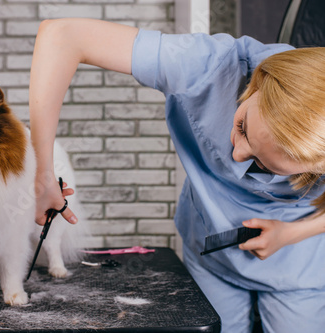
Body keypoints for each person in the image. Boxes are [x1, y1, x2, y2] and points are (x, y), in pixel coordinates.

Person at [28, 18, 325, 332]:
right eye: (242, 127)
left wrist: (291, 233)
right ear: (261, 81)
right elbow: (62, 35)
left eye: (265, 167)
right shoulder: (208, 65)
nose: (237, 156)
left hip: (298, 263)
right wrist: (43, 172)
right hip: (210, 250)